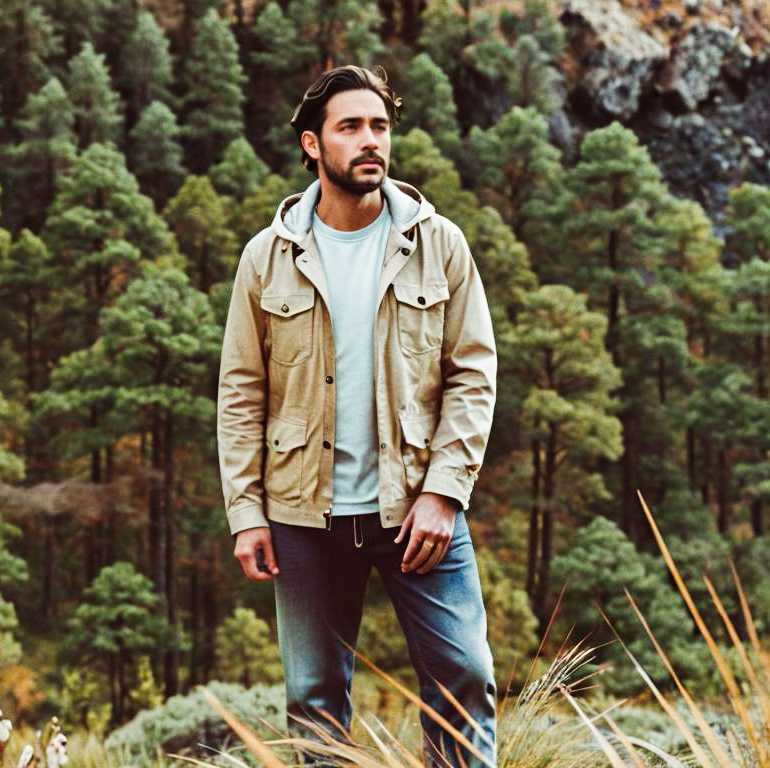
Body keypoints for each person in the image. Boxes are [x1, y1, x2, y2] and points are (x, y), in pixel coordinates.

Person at [216, 65, 497, 767]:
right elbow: (241, 391)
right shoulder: (266, 258)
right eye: (351, 127)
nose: (370, 141)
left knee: (463, 678)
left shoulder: (440, 245)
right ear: (313, 144)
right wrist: (246, 512)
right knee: (313, 703)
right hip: (303, 518)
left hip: (419, 514)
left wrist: (444, 492)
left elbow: (472, 374)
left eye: (380, 126)